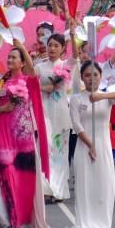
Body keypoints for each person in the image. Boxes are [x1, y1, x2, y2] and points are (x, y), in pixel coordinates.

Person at [0, 39, 50, 228]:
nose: (10, 59)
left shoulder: (28, 81)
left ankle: (24, 217)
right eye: (9, 56)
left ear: (22, 62)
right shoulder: (0, 83)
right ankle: (8, 218)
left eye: (14, 57)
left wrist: (22, 46)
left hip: (24, 135)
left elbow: (32, 69)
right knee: (6, 174)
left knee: (25, 177)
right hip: (4, 134)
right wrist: (3, 108)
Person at [69, 60, 115, 228]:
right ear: (82, 78)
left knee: (104, 190)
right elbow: (77, 125)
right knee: (85, 191)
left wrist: (102, 96)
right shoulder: (76, 99)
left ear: (100, 76)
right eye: (87, 75)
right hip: (84, 148)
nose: (91, 79)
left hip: (103, 149)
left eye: (95, 75)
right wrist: (89, 144)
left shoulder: (106, 96)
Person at [34, 28, 78, 202]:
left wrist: (73, 37)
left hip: (60, 112)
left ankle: (58, 190)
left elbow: (75, 56)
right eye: (49, 45)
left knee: (60, 151)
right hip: (43, 112)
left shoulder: (66, 66)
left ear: (62, 49)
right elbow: (29, 87)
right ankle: (46, 188)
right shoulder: (39, 67)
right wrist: (45, 88)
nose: (51, 48)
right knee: (46, 148)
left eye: (56, 46)